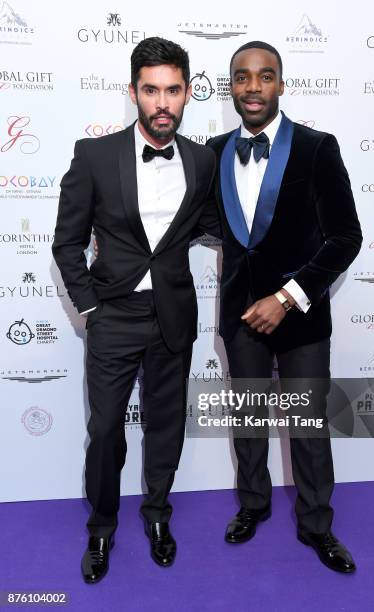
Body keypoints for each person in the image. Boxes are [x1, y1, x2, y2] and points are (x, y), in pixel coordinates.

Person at [52, 37, 216, 584]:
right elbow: (66, 244)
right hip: (113, 316)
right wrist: (90, 309)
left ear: (188, 93)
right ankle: (102, 526)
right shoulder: (94, 155)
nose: (162, 102)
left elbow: (219, 227)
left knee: (166, 426)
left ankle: (158, 515)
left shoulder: (203, 159)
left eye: (173, 90)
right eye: (151, 90)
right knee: (105, 432)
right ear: (133, 93)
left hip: (174, 315)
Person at [206, 41, 362, 573]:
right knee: (247, 419)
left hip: (300, 317)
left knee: (310, 427)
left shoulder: (318, 148)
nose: (253, 87)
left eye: (265, 76)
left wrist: (287, 296)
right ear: (231, 87)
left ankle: (317, 525)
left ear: (281, 83)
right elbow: (205, 224)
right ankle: (253, 505)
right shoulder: (215, 148)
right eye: (243, 77)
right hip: (239, 317)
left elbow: (345, 237)